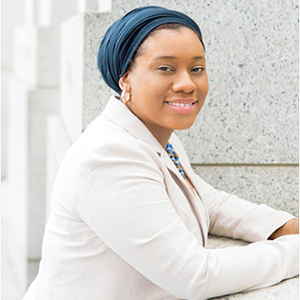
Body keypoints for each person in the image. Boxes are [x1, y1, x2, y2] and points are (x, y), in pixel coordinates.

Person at [23, 6, 298, 300]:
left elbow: (206, 201)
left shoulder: (155, 135)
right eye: (165, 68)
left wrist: (283, 226)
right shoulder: (108, 157)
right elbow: (195, 275)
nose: (187, 84)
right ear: (125, 79)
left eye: (197, 69)